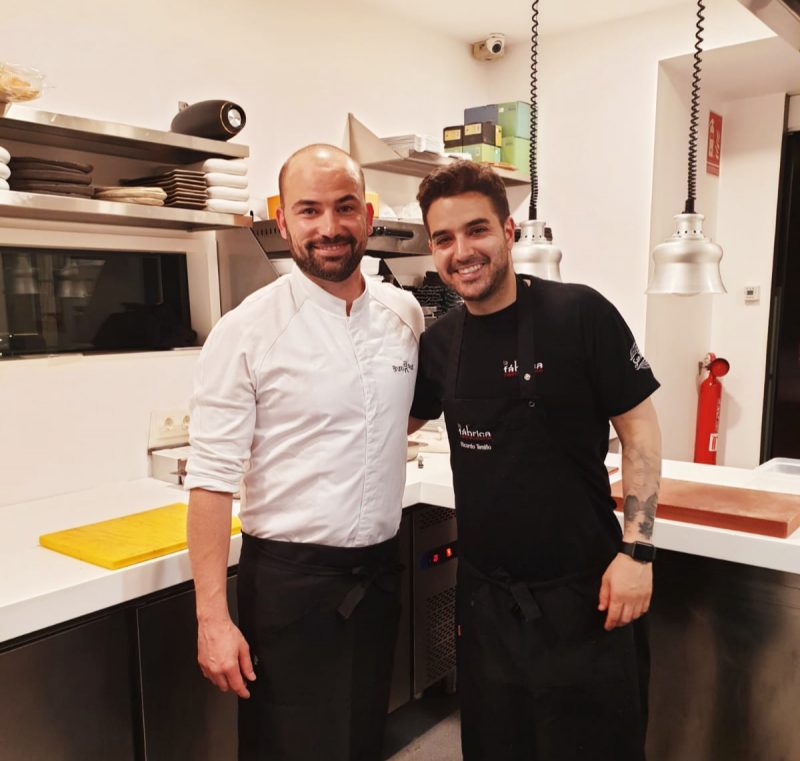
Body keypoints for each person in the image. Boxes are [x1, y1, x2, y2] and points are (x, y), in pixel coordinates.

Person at [409, 160, 662, 761]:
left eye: (477, 230)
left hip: (586, 595)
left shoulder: (580, 315)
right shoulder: (439, 344)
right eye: (444, 238)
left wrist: (638, 552)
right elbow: (387, 430)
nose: (462, 252)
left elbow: (641, 434)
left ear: (508, 232)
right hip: (486, 605)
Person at [185, 144, 424, 761]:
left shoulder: (403, 313)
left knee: (362, 739)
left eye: (345, 207)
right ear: (283, 221)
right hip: (289, 588)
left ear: (368, 215)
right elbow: (210, 480)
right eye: (309, 210)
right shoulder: (246, 330)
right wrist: (212, 619)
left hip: (378, 577)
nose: (329, 227)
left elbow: (393, 415)